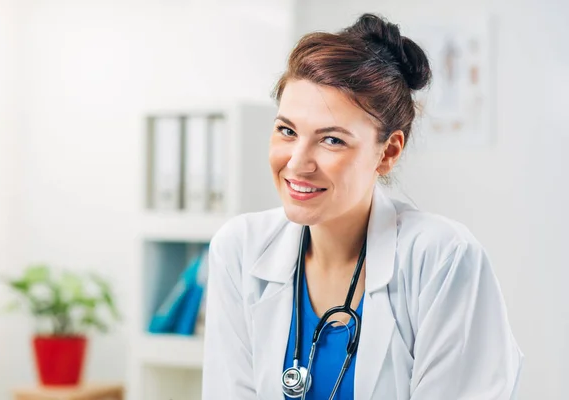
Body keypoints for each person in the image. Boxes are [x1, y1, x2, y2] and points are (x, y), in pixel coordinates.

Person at [201, 13, 523, 400]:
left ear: (388, 152)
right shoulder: (239, 249)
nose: (297, 163)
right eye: (287, 131)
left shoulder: (442, 258)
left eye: (332, 140)